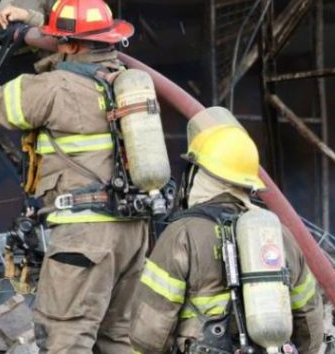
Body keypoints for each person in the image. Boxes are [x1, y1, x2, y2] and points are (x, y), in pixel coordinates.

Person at [0, 0, 147, 353]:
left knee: (65, 337)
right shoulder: (125, 83)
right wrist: (32, 25)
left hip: (85, 236)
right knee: (117, 338)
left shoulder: (55, 88)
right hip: (132, 234)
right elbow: (76, 41)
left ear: (67, 46)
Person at [129, 107, 324, 354]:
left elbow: (149, 332)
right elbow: (309, 318)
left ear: (198, 173)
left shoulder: (182, 234)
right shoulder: (276, 234)